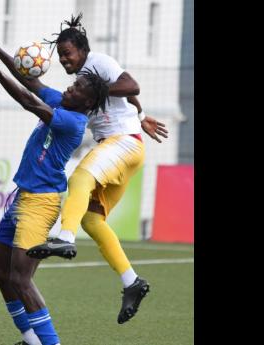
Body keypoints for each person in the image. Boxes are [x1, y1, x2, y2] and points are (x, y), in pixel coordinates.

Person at [26, 14, 168, 324]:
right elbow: (129, 92)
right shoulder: (83, 82)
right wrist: (141, 113)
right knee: (92, 220)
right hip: (125, 146)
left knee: (80, 177)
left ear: (81, 49)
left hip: (121, 142)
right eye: (61, 55)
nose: (64, 60)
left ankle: (65, 237)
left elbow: (132, 84)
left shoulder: (98, 63)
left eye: (67, 53)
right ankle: (132, 282)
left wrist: (125, 105)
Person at [0, 19, 110, 345]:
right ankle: (31, 341)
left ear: (87, 102)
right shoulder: (63, 101)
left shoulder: (72, 121)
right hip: (22, 197)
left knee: (21, 279)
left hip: (41, 202)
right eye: (74, 84)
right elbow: (30, 81)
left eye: (78, 88)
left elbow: (27, 100)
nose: (70, 87)